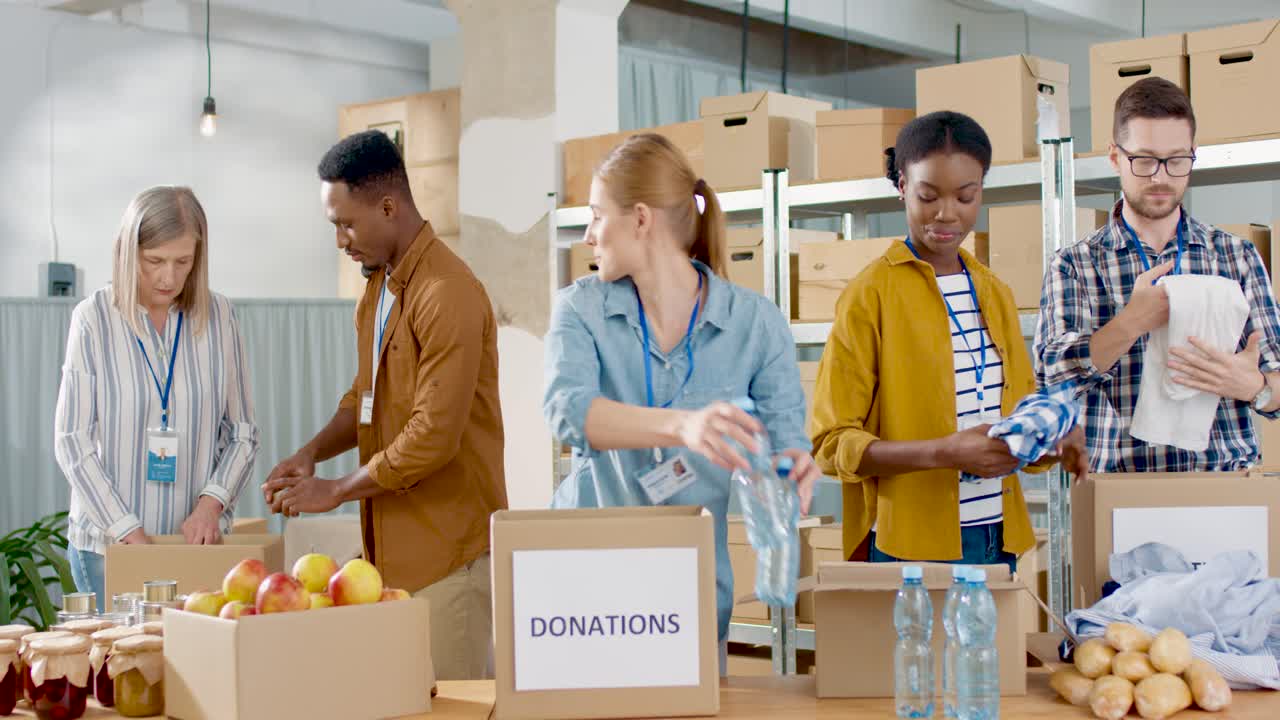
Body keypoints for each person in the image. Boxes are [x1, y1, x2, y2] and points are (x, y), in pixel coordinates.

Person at [542, 133, 821, 663]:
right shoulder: (582, 310)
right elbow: (567, 412)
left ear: (641, 219)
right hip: (582, 596)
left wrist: (792, 469)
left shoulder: (755, 323)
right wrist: (682, 426)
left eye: (598, 216)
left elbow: (788, 443)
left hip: (688, 599)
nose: (587, 235)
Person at [263, 130, 506, 680]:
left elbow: (433, 436)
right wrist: (312, 454)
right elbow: (366, 398)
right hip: (389, 560)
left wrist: (338, 490)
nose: (340, 241)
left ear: (389, 206)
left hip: (449, 561)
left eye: (346, 224)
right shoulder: (379, 289)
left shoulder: (448, 292)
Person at [808, 112, 1088, 571]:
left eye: (965, 196)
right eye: (927, 195)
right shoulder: (870, 294)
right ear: (902, 186)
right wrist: (943, 452)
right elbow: (831, 445)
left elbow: (1015, 422)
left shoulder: (994, 291)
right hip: (910, 552)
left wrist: (1052, 436)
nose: (946, 214)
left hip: (999, 541)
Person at [1035, 77, 1280, 472]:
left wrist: (1256, 389)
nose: (1161, 177)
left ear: (1193, 154)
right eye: (1144, 160)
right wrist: (1130, 323)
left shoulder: (1237, 256)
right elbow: (1052, 380)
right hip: (1120, 496)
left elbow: (1276, 374)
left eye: (1177, 160)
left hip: (1225, 491)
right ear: (1115, 156)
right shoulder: (1075, 264)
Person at [54, 185, 260, 611]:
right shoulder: (92, 320)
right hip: (107, 548)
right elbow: (72, 441)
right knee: (122, 671)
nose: (168, 277)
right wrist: (128, 531)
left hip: (193, 547)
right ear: (129, 253)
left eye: (182, 262)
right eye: (154, 262)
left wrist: (211, 503)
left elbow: (242, 433)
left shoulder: (220, 318)